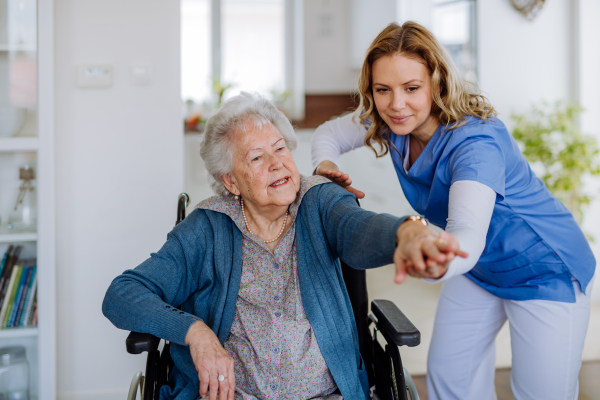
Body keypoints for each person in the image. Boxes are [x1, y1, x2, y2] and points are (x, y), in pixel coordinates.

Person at [102, 92, 465, 400]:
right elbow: (122, 294)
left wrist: (407, 233)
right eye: (257, 158)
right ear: (230, 181)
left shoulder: (320, 200)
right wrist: (195, 333)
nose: (277, 164)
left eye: (280, 148)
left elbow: (359, 227)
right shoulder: (207, 227)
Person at [311, 21, 596, 400]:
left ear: (438, 83)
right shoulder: (393, 123)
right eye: (383, 90)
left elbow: (467, 234)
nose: (396, 104)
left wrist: (433, 259)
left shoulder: (476, 143)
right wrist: (326, 167)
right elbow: (328, 135)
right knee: (450, 378)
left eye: (412, 88)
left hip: (543, 269)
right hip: (478, 268)